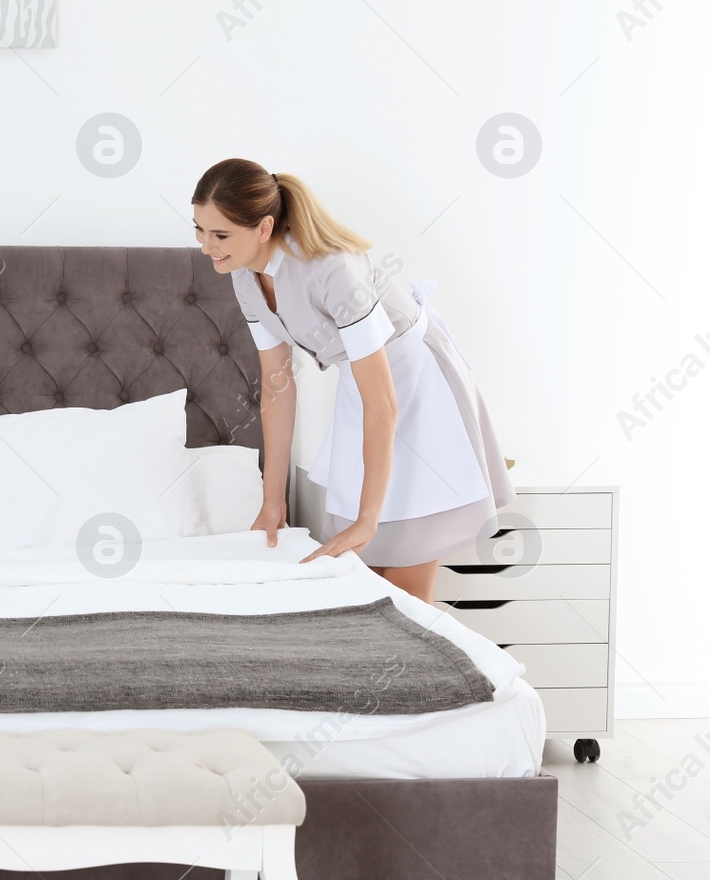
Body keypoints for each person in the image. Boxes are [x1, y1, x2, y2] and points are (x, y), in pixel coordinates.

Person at [192, 159, 514, 603]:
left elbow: (383, 397)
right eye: (199, 230)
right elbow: (277, 386)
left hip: (415, 383)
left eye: (220, 234)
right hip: (362, 385)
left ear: (263, 227)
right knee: (367, 580)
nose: (207, 247)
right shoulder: (245, 277)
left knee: (403, 583)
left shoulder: (333, 270)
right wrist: (272, 502)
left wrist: (368, 518)